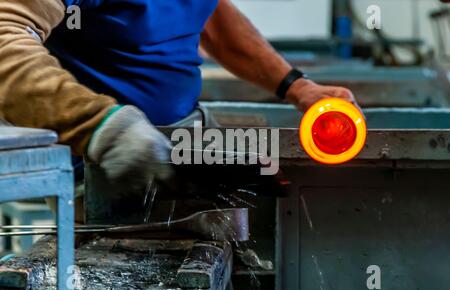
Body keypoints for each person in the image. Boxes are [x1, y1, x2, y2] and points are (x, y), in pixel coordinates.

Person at [0, 0, 356, 193]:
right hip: (105, 168)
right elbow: (5, 36)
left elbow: (211, 16)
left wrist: (295, 85)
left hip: (189, 140)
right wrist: (103, 129)